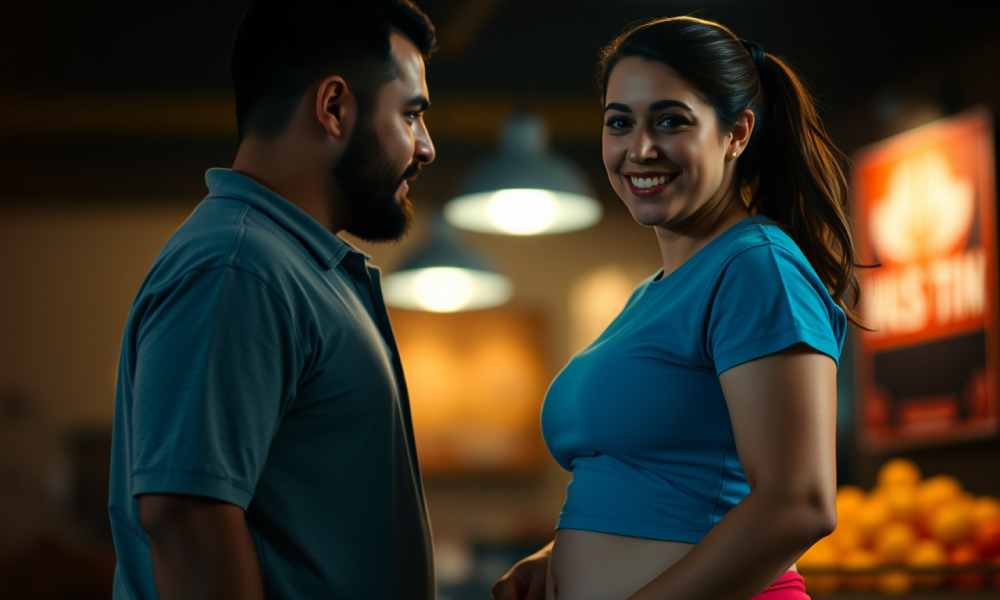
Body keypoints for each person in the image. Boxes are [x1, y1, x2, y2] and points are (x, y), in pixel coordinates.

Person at [493, 16, 860, 600]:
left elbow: (799, 503)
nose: (640, 148)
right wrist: (554, 558)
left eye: (671, 120)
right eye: (620, 123)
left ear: (737, 133)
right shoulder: (654, 292)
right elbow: (653, 479)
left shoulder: (756, 266)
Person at [107, 1, 437, 598]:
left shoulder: (289, 265)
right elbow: (185, 515)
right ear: (334, 108)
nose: (426, 146)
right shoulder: (239, 267)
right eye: (411, 115)